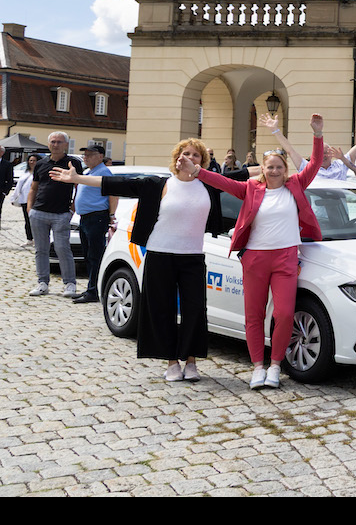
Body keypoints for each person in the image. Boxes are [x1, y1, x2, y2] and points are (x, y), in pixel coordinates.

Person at [51, 138, 232, 381]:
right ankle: (171, 362)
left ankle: (190, 360)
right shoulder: (158, 184)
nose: (189, 157)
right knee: (162, 309)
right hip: (160, 255)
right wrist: (77, 179)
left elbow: (245, 177)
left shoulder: (208, 185)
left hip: (192, 257)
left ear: (202, 161)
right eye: (185, 153)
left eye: (195, 155)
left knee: (195, 310)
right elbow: (117, 184)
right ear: (177, 158)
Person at [193, 113, 325, 390]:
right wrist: (197, 171)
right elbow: (222, 183)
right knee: (253, 314)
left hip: (286, 257)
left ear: (285, 169)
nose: (274, 171)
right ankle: (257, 367)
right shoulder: (251, 188)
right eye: (270, 167)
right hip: (254, 258)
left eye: (278, 166)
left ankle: (276, 365)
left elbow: (314, 164)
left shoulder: (296, 186)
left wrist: (317, 134)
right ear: (262, 169)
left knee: (285, 313)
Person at [27, 131, 82, 297]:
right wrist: (30, 208)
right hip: (39, 212)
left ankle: (70, 284)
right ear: (48, 143)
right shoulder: (41, 163)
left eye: (59, 142)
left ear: (65, 144)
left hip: (61, 214)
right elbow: (34, 187)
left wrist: (72, 209)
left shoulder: (73, 163)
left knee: (62, 248)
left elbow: (79, 187)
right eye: (53, 142)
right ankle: (42, 283)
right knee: (40, 249)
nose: (55, 145)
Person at [71, 144, 116, 304]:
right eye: (85, 155)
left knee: (94, 255)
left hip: (96, 217)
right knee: (88, 255)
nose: (86, 157)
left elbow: (112, 195)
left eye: (90, 155)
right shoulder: (90, 172)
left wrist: (112, 215)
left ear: (100, 156)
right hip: (85, 218)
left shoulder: (104, 173)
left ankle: (93, 291)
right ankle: (91, 288)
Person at [11, 154, 39, 245]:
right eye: (30, 160)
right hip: (24, 199)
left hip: (36, 200)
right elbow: (19, 186)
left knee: (35, 221)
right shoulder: (25, 173)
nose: (32, 162)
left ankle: (36, 239)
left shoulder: (39, 173)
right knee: (27, 220)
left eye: (34, 160)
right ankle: (29, 239)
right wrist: (13, 197)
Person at [0, 146, 13, 229]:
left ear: (2, 152)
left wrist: (5, 191)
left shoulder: (7, 164)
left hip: (0, 191)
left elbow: (10, 179)